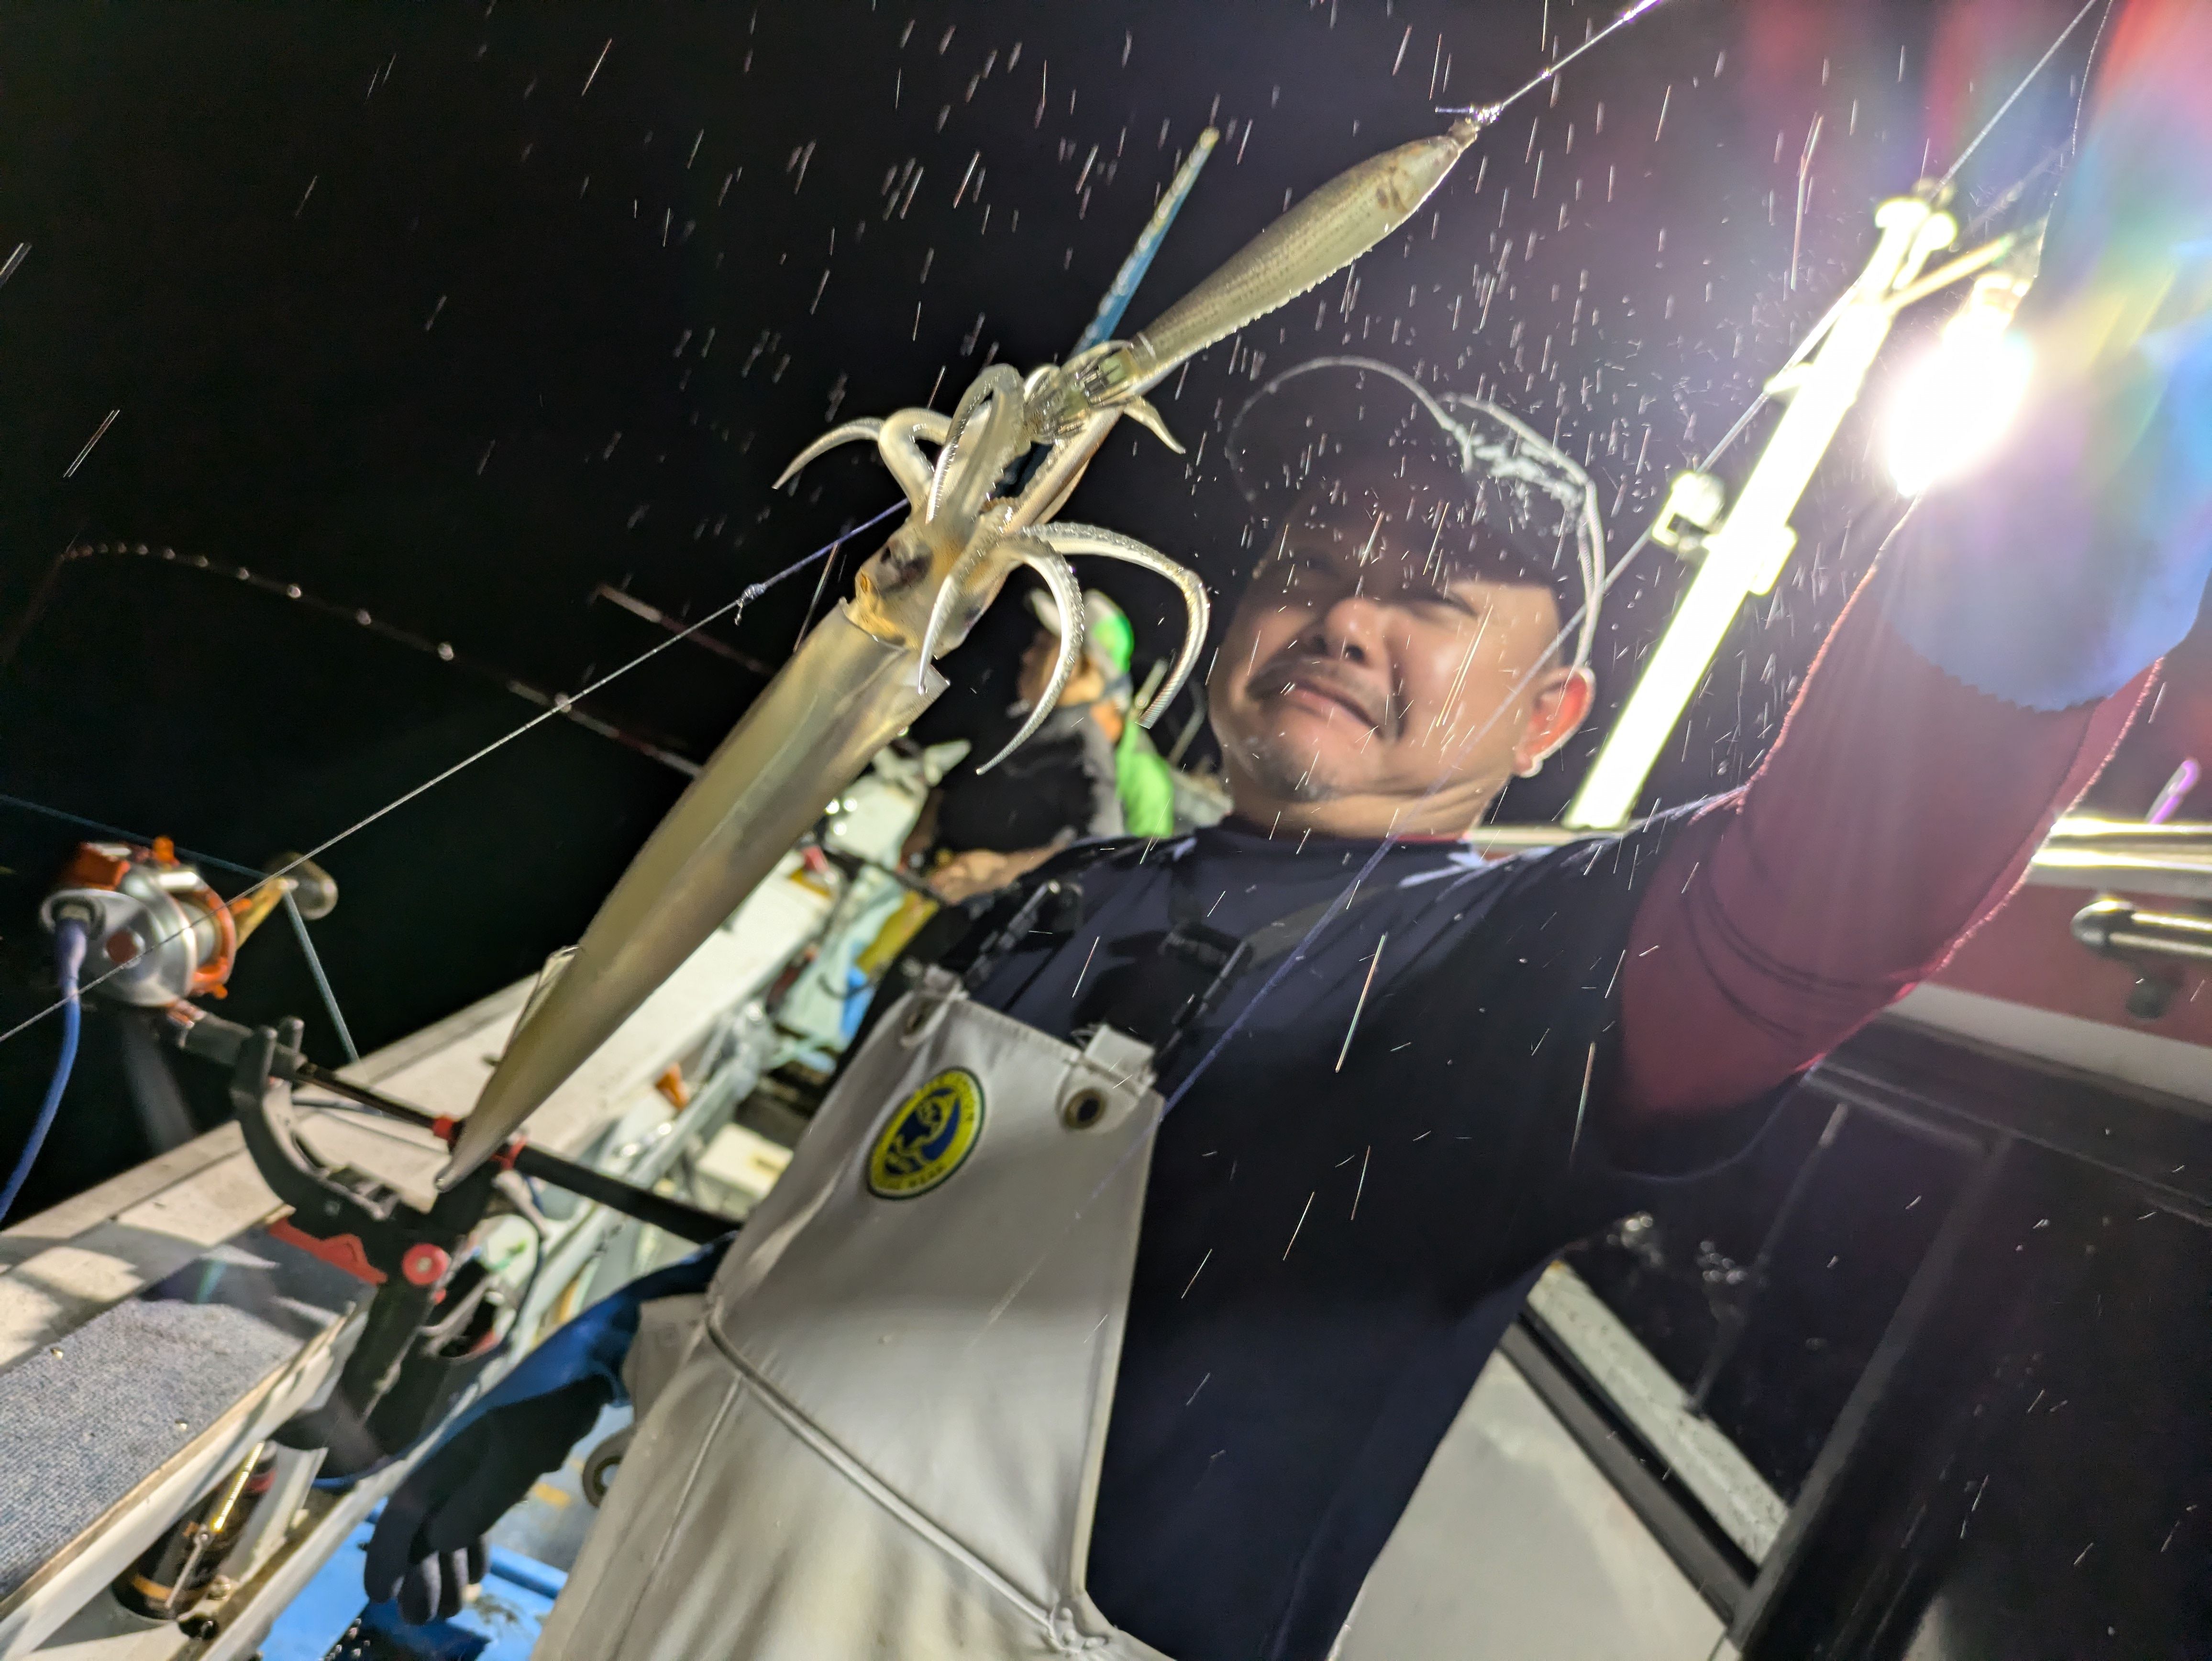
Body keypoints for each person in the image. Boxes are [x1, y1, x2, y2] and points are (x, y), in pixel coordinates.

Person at [365, 7, 2212, 1654]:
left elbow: (1892, 808)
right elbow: (840, 1247)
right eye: (1313, 560)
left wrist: (2145, 285)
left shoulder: (1525, 982)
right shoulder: (1050, 899)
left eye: (1431, 594)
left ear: (1545, 717)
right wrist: (601, 1351)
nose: (1341, 611)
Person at [925, 586, 1175, 904]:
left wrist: (1000, 871)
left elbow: (1117, 861)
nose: (1027, 656)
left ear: (1085, 669)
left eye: (1045, 647)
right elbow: (967, 773)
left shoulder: (1112, 761)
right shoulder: (1030, 719)